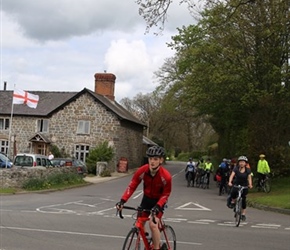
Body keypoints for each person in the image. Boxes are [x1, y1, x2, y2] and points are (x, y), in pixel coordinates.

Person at [116, 145, 172, 250]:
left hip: (159, 201)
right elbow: (132, 185)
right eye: (150, 159)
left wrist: (158, 206)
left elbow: (166, 194)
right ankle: (145, 238)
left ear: (161, 160)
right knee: (139, 220)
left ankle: (156, 248)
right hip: (146, 199)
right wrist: (122, 201)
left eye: (155, 159)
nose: (152, 161)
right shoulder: (143, 170)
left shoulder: (166, 176)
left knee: (153, 224)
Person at [227, 155, 253, 221]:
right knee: (233, 192)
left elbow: (249, 178)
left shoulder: (248, 170)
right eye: (240, 162)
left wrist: (250, 184)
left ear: (245, 163)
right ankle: (233, 201)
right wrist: (230, 182)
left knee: (243, 199)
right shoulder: (236, 168)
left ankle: (243, 214)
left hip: (244, 185)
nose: (241, 163)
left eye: (243, 162)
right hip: (237, 184)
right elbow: (232, 175)